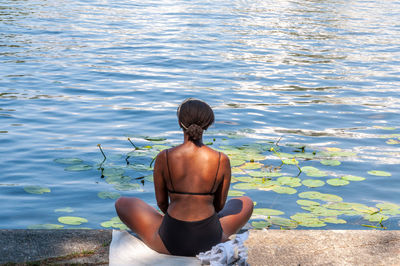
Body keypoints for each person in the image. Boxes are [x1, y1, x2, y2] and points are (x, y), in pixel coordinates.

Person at [115, 98, 253, 256]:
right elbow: (219, 206)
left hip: (171, 239)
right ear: (207, 125)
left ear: (180, 123)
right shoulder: (221, 159)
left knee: (123, 203)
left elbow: (162, 203)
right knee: (245, 202)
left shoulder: (164, 157)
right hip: (210, 238)